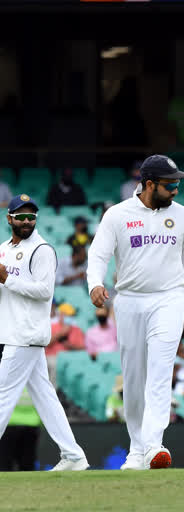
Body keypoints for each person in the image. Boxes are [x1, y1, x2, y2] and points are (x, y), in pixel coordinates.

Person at [87, 155, 184, 470]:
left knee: (159, 371)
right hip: (129, 301)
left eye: (178, 183)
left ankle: (154, 445)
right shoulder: (118, 214)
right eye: (171, 185)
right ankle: (137, 450)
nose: (177, 190)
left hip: (168, 299)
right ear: (149, 184)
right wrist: (94, 284)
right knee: (134, 377)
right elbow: (98, 254)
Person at [0, 194, 89, 471]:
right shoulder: (3, 248)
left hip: (25, 334)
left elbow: (44, 292)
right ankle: (74, 456)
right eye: (21, 216)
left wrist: (7, 278)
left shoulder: (42, 250)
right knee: (46, 398)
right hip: (12, 331)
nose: (27, 221)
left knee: (2, 395)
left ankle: (74, 456)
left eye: (31, 216)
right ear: (9, 218)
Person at [0, 386, 41, 471]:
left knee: (5, 464)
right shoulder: (34, 382)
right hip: (31, 424)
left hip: (8, 424)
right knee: (27, 463)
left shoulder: (6, 380)